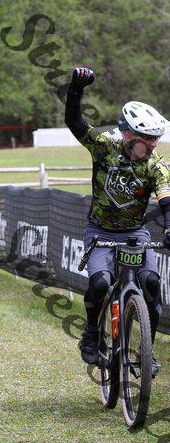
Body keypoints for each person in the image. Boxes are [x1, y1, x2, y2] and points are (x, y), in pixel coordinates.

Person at [65, 67, 170, 374]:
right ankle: (91, 334)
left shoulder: (155, 165)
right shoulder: (104, 146)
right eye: (147, 139)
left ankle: (146, 348)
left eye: (156, 139)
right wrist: (75, 91)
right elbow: (74, 123)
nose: (153, 145)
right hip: (100, 231)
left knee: (151, 283)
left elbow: (166, 198)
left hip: (135, 233)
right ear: (128, 136)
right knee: (100, 283)